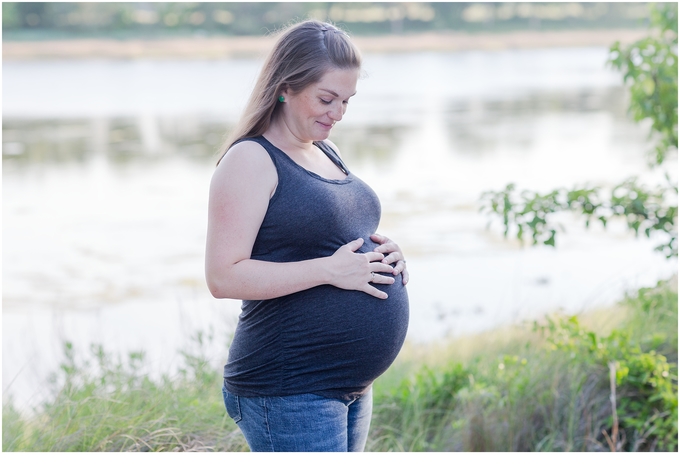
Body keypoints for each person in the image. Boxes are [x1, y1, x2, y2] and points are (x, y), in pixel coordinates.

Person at [205, 19, 410, 452]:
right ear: (285, 87)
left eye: (346, 101)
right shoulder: (250, 159)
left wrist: (383, 252)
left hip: (346, 387)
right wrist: (331, 270)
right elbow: (223, 277)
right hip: (288, 388)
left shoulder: (323, 150)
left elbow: (325, 234)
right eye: (326, 98)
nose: (337, 113)